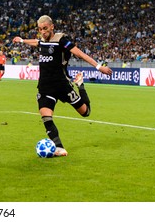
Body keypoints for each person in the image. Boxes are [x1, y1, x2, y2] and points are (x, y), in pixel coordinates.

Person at [13, 15, 112, 157]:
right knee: (46, 116)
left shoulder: (61, 41)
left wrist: (98, 67)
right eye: (40, 29)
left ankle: (80, 85)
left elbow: (79, 53)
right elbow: (36, 42)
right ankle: (59, 148)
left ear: (52, 27)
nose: (43, 32)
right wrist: (22, 40)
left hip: (62, 84)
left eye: (45, 29)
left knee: (85, 112)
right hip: (45, 86)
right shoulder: (42, 41)